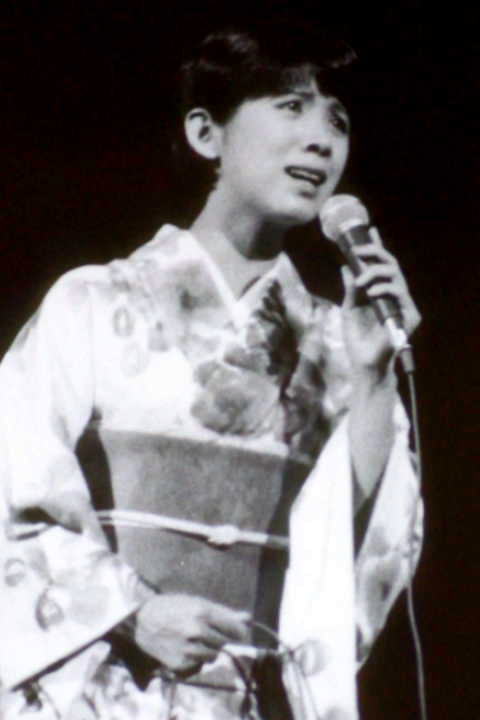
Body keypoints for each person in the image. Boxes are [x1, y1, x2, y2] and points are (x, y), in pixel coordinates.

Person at [0, 25, 423, 720]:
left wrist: (374, 376)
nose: (322, 139)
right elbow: (10, 486)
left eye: (338, 120)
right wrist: (132, 612)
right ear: (206, 133)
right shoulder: (94, 302)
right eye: (292, 106)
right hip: (107, 684)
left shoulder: (340, 341)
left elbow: (366, 546)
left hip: (260, 693)